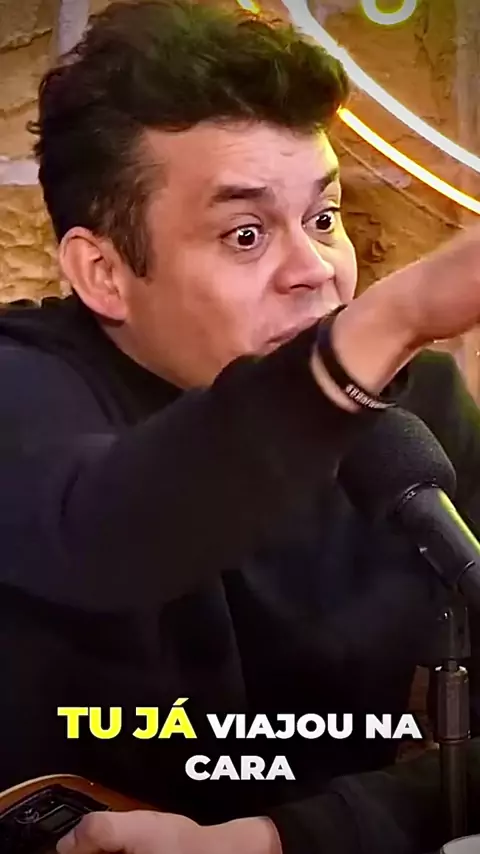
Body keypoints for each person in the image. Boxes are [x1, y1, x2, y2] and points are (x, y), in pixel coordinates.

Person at [2, 0, 480, 851]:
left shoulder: (420, 411)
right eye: (247, 233)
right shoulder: (24, 385)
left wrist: (275, 837)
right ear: (103, 272)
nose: (316, 271)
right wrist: (392, 319)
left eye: (324, 219)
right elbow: (111, 528)